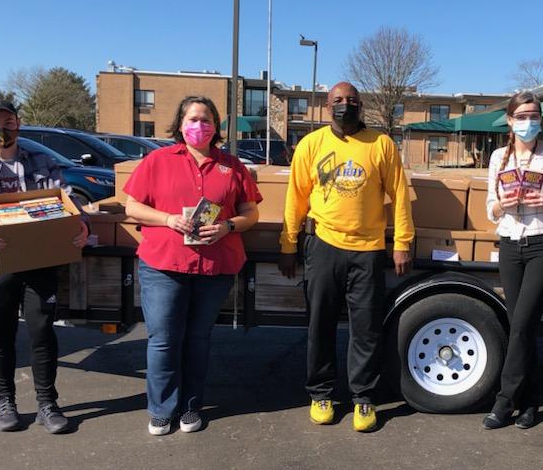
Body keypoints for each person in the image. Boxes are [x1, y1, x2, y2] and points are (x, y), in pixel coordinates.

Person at [278, 81, 414, 433]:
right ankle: (321, 394)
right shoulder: (311, 144)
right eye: (338, 101)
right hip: (323, 246)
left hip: (368, 250)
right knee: (320, 325)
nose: (345, 105)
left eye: (351, 100)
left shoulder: (381, 144)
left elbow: (399, 195)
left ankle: (363, 398)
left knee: (366, 329)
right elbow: (296, 199)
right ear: (327, 108)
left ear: (361, 105)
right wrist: (288, 244)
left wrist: (402, 242)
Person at [124, 96, 261, 436]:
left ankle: (190, 406)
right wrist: (168, 219)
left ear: (216, 126)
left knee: (198, 338)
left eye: (206, 119)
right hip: (164, 265)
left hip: (214, 267)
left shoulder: (232, 166)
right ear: (180, 123)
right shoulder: (158, 160)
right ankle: (161, 409)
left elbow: (251, 213)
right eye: (192, 118)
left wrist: (229, 225)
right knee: (164, 339)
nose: (199, 125)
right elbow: (132, 207)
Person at [0, 99, 89, 434]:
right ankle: (6, 401)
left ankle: (47, 403)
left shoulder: (41, 161)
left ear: (19, 123)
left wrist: (79, 223)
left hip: (40, 261)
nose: (3, 128)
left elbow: (66, 198)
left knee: (42, 332)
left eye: (9, 121)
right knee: (0, 335)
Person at [482, 91, 543, 430]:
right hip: (510, 244)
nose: (528, 122)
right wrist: (503, 205)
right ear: (509, 120)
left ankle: (505, 399)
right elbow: (489, 208)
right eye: (521, 116)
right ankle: (530, 400)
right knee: (520, 326)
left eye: (534, 115)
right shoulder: (498, 157)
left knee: (522, 323)